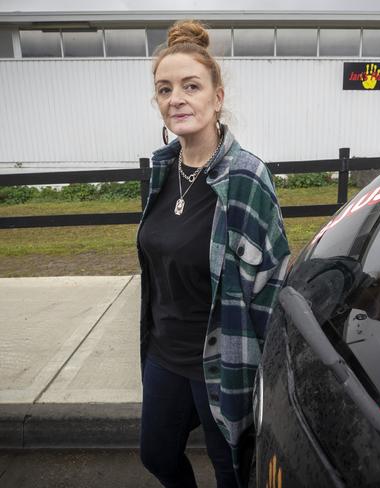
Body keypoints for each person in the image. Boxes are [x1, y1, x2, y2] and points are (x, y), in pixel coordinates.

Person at [136, 19, 290, 488]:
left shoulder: (246, 176)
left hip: (223, 356)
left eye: (190, 86)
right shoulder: (162, 172)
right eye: (164, 89)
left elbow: (272, 281)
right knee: (157, 456)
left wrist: (271, 373)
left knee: (232, 472)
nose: (175, 98)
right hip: (164, 352)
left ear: (216, 97)